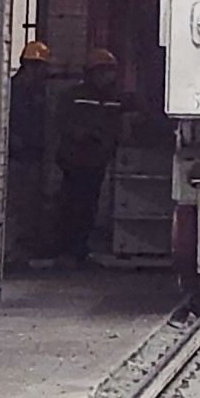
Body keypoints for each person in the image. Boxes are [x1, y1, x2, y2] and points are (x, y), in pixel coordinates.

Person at [55, 48, 125, 264]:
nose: (107, 76)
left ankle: (80, 249)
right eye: (103, 71)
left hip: (96, 161)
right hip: (74, 160)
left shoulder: (114, 98)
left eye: (110, 71)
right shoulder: (73, 96)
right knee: (72, 205)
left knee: (88, 206)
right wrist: (84, 135)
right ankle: (68, 248)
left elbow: (120, 121)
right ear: (91, 72)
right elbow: (63, 123)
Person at [6, 39, 54, 270]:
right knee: (14, 206)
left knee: (28, 207)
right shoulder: (14, 91)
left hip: (32, 156)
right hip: (16, 158)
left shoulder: (36, 91)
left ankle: (19, 252)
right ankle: (9, 252)